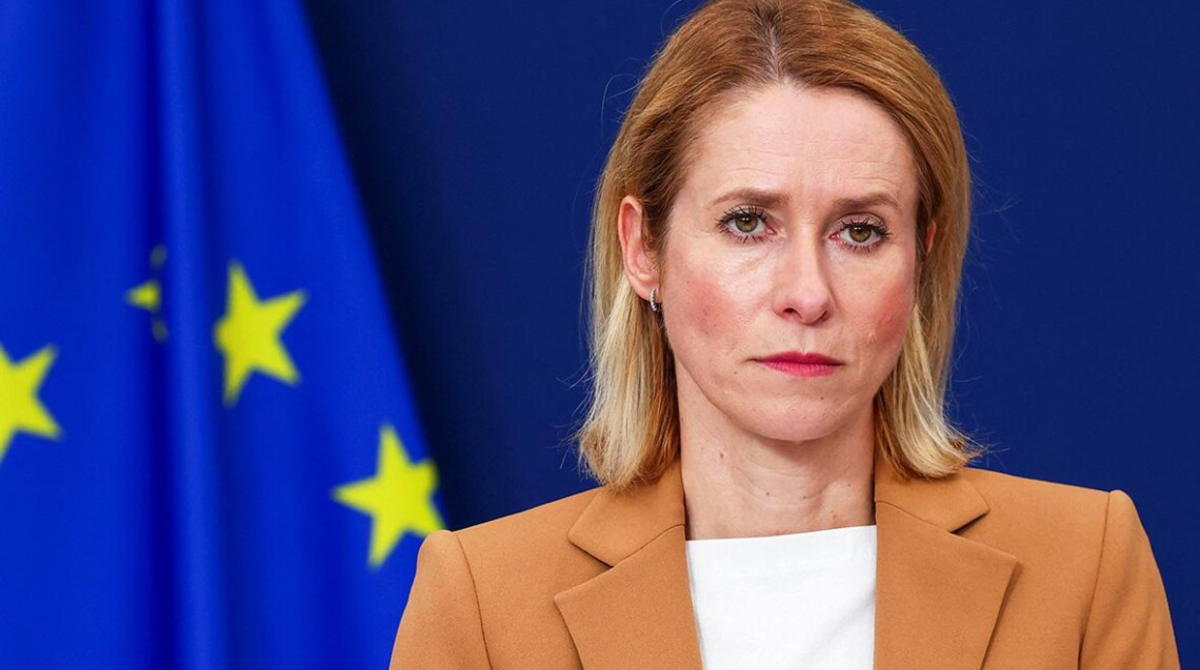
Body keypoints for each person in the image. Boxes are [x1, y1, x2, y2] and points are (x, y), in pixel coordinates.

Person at [389, 0, 1181, 667]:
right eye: (747, 223)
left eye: (860, 231)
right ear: (643, 249)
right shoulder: (482, 605)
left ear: (921, 258)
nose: (807, 294)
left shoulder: (1084, 567)